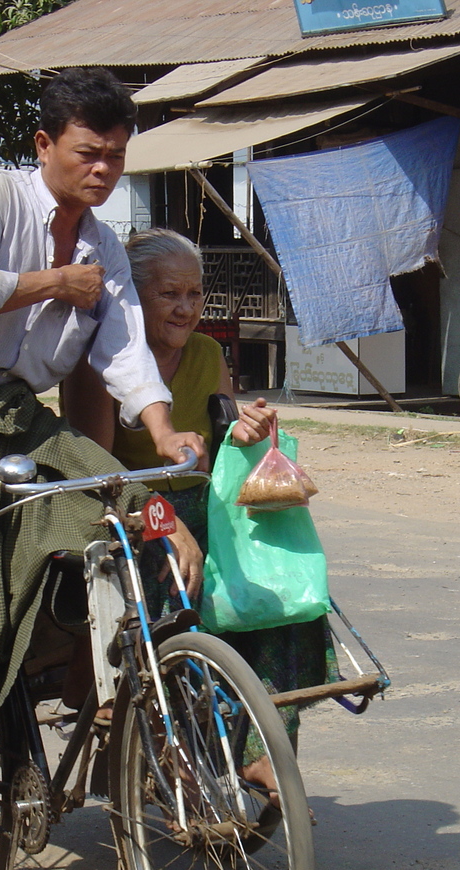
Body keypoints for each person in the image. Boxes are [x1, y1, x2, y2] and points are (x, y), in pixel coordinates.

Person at [0, 71, 205, 870]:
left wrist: (166, 429)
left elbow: (124, 352)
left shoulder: (103, 245)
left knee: (127, 518)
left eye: (115, 155)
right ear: (45, 147)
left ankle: (99, 705)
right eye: (87, 153)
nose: (102, 169)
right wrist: (45, 284)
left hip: (20, 416)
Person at [62, 227, 338, 797]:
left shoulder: (208, 353)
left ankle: (264, 748)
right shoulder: (98, 364)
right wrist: (165, 518)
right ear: (136, 300)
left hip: (201, 501)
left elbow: (218, 435)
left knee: (279, 593)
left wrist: (243, 429)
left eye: (194, 294)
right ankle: (166, 741)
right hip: (127, 509)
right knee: (172, 582)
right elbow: (98, 472)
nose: (186, 308)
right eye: (169, 295)